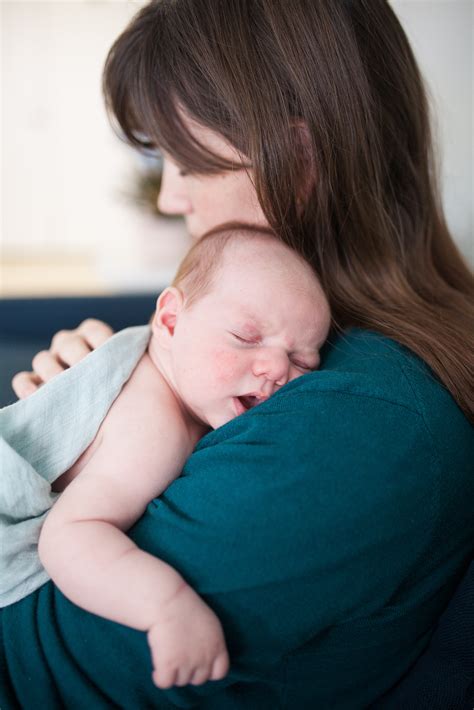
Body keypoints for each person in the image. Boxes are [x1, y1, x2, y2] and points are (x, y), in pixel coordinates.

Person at [2, 1, 473, 708]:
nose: (168, 197)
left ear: (297, 157)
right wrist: (86, 407)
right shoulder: (335, 374)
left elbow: (42, 678)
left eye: (180, 158)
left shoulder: (360, 423)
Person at [1, 226, 330, 690]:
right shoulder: (156, 427)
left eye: (303, 362)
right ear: (171, 319)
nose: (277, 368)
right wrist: (167, 605)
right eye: (246, 336)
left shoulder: (174, 370)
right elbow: (70, 536)